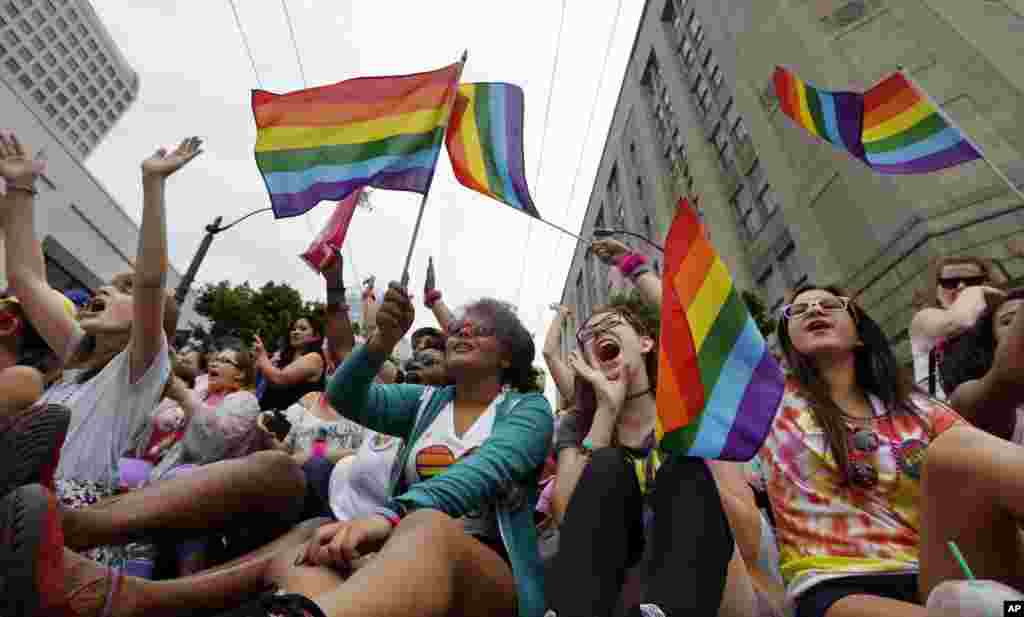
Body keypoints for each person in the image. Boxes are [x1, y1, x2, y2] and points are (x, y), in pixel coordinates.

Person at [546, 238, 779, 617]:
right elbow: (569, 521)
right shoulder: (579, 423)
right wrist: (606, 411)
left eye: (610, 326)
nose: (597, 335)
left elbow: (748, 536)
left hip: (720, 587)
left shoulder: (692, 409)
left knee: (681, 467)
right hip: (614, 588)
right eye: (586, 336)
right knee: (606, 466)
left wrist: (634, 267)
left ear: (646, 342)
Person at [0, 131, 196, 566]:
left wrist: (153, 184)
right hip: (14, 507)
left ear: (149, 323)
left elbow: (150, 280)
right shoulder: (77, 356)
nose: (107, 286)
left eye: (123, 289)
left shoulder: (136, 372)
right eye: (110, 282)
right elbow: (25, 278)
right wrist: (19, 188)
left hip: (65, 534)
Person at [908, 255, 1003, 399]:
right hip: (950, 415)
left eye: (973, 281)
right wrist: (973, 291)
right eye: (950, 282)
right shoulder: (923, 319)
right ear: (938, 290)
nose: (961, 286)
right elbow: (957, 322)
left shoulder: (999, 319)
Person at [937, 287, 1024, 441]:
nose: (1016, 326)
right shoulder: (967, 397)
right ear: (991, 342)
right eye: (1008, 321)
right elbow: (1006, 373)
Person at [256, 315, 326, 412]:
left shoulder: (314, 358)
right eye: (293, 329)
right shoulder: (284, 357)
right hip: (266, 415)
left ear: (316, 336)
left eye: (303, 329)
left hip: (290, 423)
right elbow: (270, 382)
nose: (295, 332)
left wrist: (262, 356)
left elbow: (279, 378)